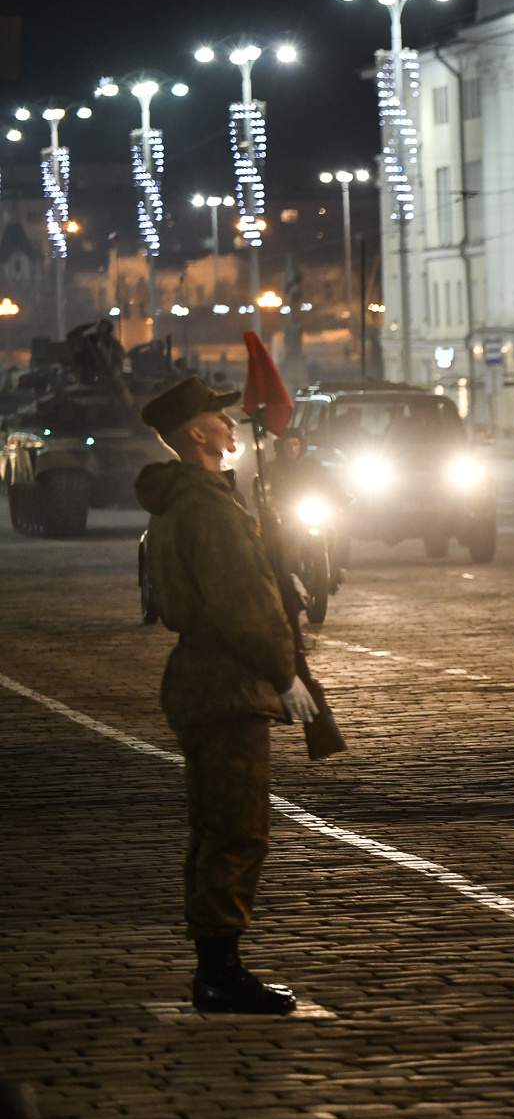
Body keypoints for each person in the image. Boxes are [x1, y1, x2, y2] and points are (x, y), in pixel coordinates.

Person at [134, 375, 316, 1016]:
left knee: (215, 825)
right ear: (196, 433)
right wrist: (286, 672)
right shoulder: (208, 507)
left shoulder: (189, 500)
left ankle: (216, 961)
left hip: (203, 678)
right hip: (227, 682)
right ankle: (220, 972)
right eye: (219, 417)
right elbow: (245, 606)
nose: (232, 424)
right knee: (238, 829)